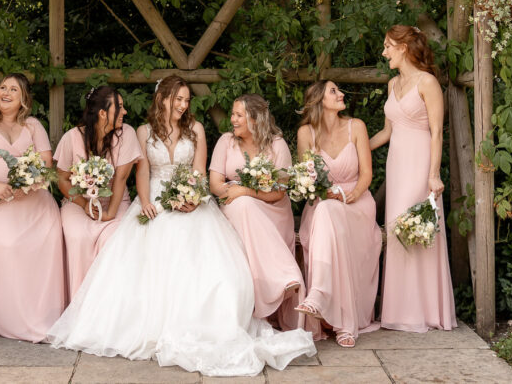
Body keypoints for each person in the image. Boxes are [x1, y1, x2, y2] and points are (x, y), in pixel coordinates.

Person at [48, 77, 315, 376]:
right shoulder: (143, 131)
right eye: (178, 99)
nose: (183, 105)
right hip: (154, 200)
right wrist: (146, 202)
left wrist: (194, 197)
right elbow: (144, 170)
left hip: (192, 200)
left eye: (187, 100)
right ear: (162, 97)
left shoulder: (196, 129)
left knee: (217, 270)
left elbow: (200, 173)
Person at [0, 73, 65, 342]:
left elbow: (45, 162)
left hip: (33, 202)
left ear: (23, 100)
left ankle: (45, 314)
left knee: (51, 234)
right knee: (7, 245)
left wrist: (29, 184)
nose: (5, 93)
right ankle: (10, 317)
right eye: (2, 88)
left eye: (13, 90)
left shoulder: (33, 125)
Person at [370, 24, 457, 332]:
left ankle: (426, 312)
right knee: (396, 229)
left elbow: (436, 133)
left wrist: (433, 175)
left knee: (417, 230)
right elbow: (386, 131)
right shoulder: (393, 83)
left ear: (403, 47)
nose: (384, 52)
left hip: (420, 163)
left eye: (387, 46)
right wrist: (355, 149)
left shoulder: (427, 82)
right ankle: (399, 312)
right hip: (396, 163)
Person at [294, 81, 382, 347]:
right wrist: (324, 195)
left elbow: (366, 174)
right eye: (334, 91)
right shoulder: (306, 133)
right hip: (322, 203)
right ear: (319, 100)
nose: (341, 94)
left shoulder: (357, 127)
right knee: (324, 210)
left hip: (356, 203)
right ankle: (342, 320)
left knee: (328, 211)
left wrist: (348, 196)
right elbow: (306, 180)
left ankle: (322, 297)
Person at [209, 93, 306, 331]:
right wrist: (237, 193)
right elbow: (214, 184)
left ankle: (276, 281)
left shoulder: (277, 145)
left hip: (271, 209)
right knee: (243, 206)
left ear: (255, 119)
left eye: (239, 115)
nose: (233, 119)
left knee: (246, 204)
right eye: (233, 114)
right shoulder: (225, 142)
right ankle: (282, 277)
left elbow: (280, 191)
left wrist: (246, 191)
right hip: (233, 206)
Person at [54, 85, 140, 298]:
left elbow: (120, 178)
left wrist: (110, 212)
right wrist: (83, 205)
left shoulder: (126, 134)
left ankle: (108, 306)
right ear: (103, 113)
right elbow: (62, 179)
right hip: (78, 202)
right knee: (78, 237)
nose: (125, 112)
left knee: (113, 236)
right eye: (119, 107)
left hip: (115, 201)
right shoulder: (71, 138)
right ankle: (79, 305)